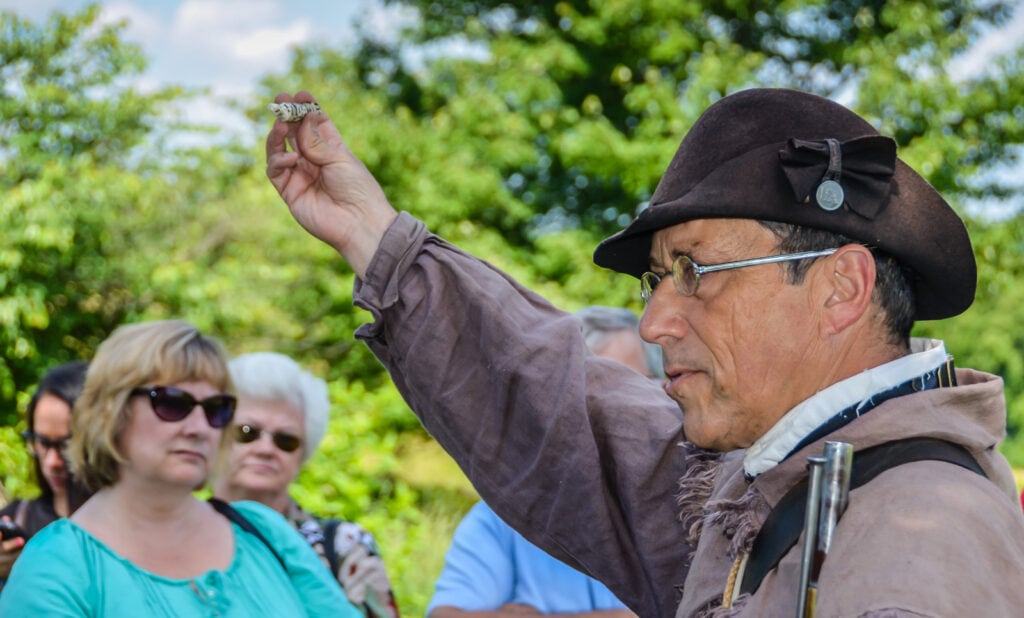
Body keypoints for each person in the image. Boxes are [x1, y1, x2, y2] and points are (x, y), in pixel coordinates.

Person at [264, 89, 1024, 616]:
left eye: (695, 271)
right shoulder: (775, 478)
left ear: (840, 289)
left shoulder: (919, 542)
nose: (658, 322)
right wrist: (376, 237)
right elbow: (564, 414)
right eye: (656, 281)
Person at [0, 320, 358, 616]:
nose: (199, 427)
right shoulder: (57, 565)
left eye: (216, 408)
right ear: (111, 411)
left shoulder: (263, 531)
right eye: (173, 403)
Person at [427, 306, 656, 618]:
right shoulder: (502, 517)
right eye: (586, 391)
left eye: (629, 386)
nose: (609, 409)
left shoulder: (682, 503)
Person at [212, 351, 400, 617]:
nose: (265, 448)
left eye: (285, 440)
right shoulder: (168, 533)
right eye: (246, 432)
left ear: (303, 453)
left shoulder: (345, 546)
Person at [0, 361, 91, 592]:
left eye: (65, 445)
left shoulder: (131, 525)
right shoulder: (17, 518)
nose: (52, 462)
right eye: (42, 442)